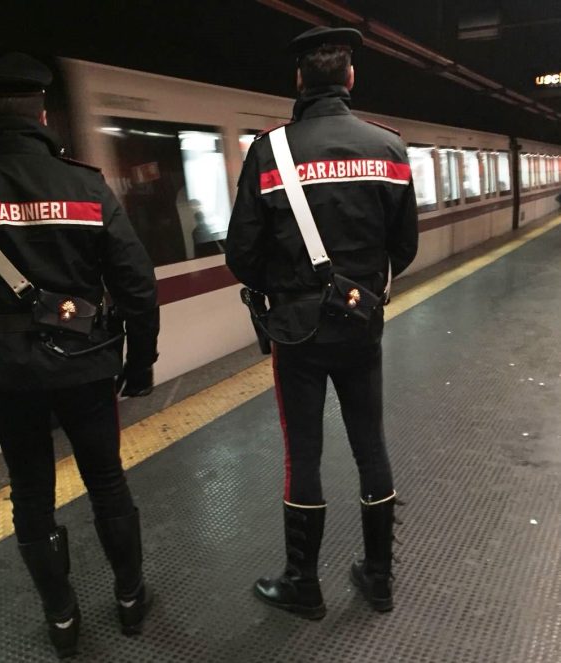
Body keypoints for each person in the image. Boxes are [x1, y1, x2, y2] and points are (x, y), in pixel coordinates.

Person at [0, 53, 159, 658]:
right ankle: (130, 600)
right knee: (106, 481)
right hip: (87, 360)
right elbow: (136, 282)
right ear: (43, 112)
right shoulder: (85, 185)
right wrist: (141, 359)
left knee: (30, 491)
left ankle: (61, 619)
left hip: (5, 373)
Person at [226, 27, 418, 617]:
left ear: (300, 80)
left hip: (297, 332)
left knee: (301, 456)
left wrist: (288, 288)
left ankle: (302, 586)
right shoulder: (389, 148)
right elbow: (404, 246)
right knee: (371, 447)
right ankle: (378, 577)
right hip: (361, 326)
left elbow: (241, 253)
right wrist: (360, 285)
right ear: (351, 78)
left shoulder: (270, 152)